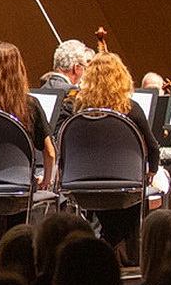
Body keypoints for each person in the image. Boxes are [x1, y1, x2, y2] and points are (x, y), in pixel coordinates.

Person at [66, 52, 158, 247]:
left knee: (107, 207)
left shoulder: (79, 110)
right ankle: (119, 248)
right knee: (133, 198)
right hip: (125, 183)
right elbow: (152, 147)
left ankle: (108, 243)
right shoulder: (131, 108)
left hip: (85, 181)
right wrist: (152, 171)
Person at [0, 41, 55, 189]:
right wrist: (46, 181)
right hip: (18, 185)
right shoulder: (29, 105)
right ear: (18, 69)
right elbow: (50, 153)